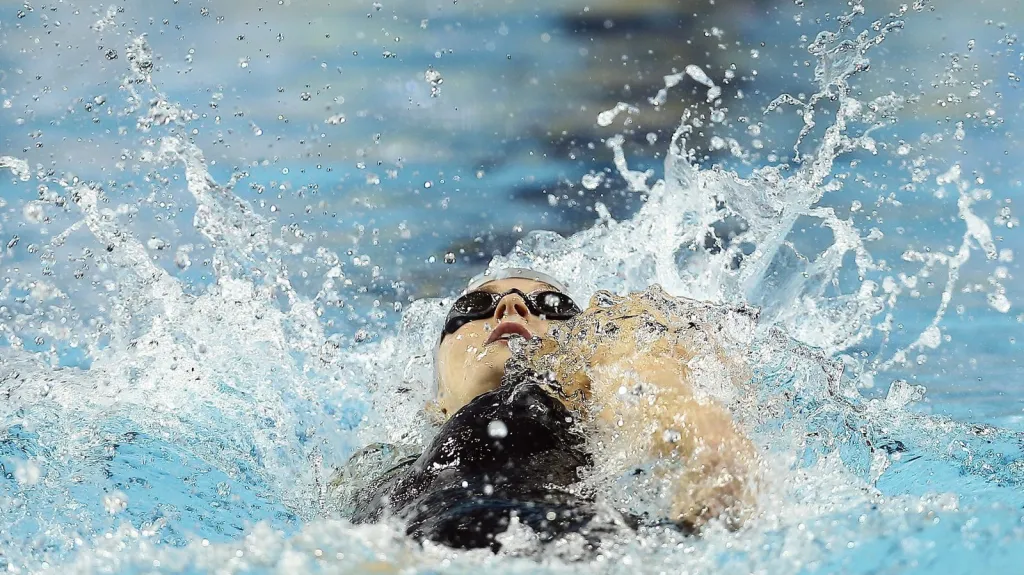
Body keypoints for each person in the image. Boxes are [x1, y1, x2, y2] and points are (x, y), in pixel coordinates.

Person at [327, 268, 758, 553]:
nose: (511, 306)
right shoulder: (376, 475)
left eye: (552, 307)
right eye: (473, 308)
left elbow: (646, 381)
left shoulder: (578, 389)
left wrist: (709, 445)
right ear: (434, 401)